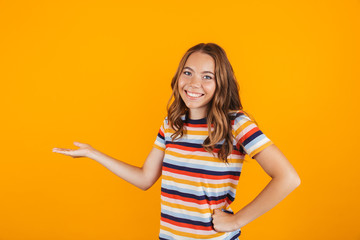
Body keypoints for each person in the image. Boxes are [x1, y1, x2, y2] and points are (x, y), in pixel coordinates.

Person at [52, 43, 301, 240]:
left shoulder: (236, 124)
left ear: (221, 83)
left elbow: (288, 178)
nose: (194, 83)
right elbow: (144, 179)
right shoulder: (172, 125)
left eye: (207, 77)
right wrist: (94, 154)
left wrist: (237, 221)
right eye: (188, 72)